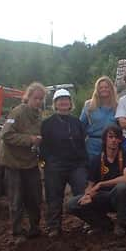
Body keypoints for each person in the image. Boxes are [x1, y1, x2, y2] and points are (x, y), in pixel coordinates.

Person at [0, 82, 46, 244]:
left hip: (30, 162)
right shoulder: (17, 113)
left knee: (35, 196)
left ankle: (34, 227)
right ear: (28, 97)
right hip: (13, 162)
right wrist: (29, 140)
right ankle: (17, 232)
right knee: (16, 199)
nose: (38, 101)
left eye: (41, 98)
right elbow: (5, 135)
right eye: (35, 98)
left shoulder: (39, 116)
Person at [66, 125, 126, 237]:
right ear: (104, 139)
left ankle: (120, 224)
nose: (113, 140)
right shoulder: (96, 160)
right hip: (102, 197)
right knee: (72, 204)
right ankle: (103, 224)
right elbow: (90, 184)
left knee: (122, 187)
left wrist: (101, 184)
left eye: (116, 137)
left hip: (119, 197)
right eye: (110, 137)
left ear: (120, 140)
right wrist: (87, 195)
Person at [40, 89, 88, 237]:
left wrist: (83, 162)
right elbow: (43, 146)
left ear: (70, 103)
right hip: (55, 165)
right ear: (55, 104)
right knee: (54, 197)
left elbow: (82, 143)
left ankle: (88, 221)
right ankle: (54, 226)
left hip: (76, 165)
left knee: (82, 194)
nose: (63, 102)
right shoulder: (47, 123)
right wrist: (47, 162)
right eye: (60, 100)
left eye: (66, 99)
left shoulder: (77, 123)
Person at [80, 76, 118, 157]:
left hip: (112, 145)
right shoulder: (89, 106)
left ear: (111, 89)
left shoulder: (118, 106)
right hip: (93, 146)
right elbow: (81, 127)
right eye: (101, 87)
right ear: (97, 90)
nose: (104, 89)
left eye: (106, 87)